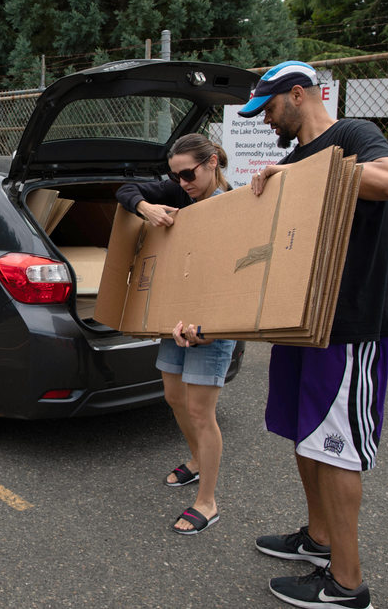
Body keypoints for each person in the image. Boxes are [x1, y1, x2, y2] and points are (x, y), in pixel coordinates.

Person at [241, 60, 388, 609]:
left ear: (296, 95)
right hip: (304, 323)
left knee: (336, 449)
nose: (265, 121)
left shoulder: (352, 135)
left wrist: (302, 176)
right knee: (305, 431)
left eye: (267, 109)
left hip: (350, 322)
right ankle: (318, 539)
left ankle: (347, 584)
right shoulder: (294, 158)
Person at [115, 133, 238, 536]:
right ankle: (197, 460)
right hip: (176, 317)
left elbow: (241, 277)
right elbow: (125, 189)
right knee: (173, 396)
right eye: (176, 175)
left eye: (188, 174)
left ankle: (208, 501)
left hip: (213, 323)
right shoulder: (180, 191)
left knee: (202, 411)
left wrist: (212, 325)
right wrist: (145, 207)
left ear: (213, 162)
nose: (182, 183)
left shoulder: (235, 206)